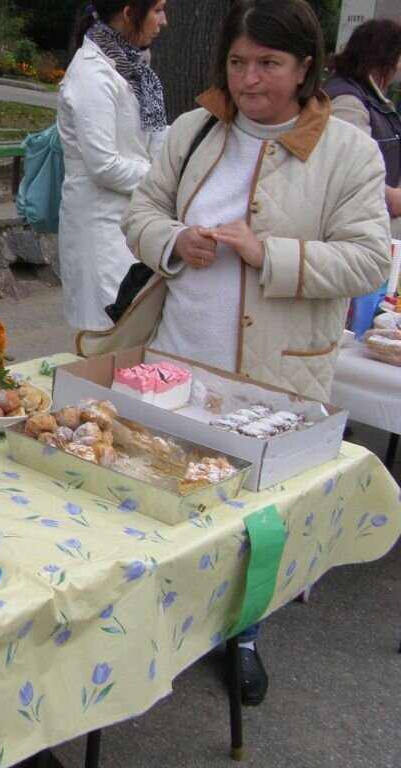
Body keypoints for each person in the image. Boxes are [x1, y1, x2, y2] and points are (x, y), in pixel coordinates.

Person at [82, 0, 390, 706]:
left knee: (256, 517)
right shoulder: (195, 129)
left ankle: (243, 632)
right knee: (161, 486)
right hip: (177, 355)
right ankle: (156, 620)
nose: (250, 79)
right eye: (239, 62)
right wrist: (173, 240)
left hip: (275, 373)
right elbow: (141, 214)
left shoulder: (348, 151)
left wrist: (267, 253)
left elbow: (369, 260)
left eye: (269, 64)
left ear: (305, 66)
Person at [55, 0, 169, 332]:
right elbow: (103, 165)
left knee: (134, 331)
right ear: (129, 12)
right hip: (101, 224)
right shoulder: (92, 73)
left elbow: (153, 139)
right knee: (108, 331)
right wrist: (164, 179)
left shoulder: (132, 67)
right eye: (158, 10)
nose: (164, 21)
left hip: (135, 217)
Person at [323, 18, 401, 238]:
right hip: (351, 225)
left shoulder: (363, 94)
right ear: (385, 56)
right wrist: (391, 197)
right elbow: (346, 169)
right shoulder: (349, 101)